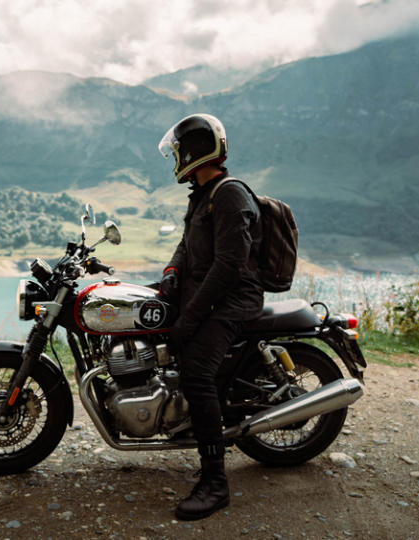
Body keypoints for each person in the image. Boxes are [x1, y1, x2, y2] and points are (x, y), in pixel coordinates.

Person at [157, 113, 264, 520]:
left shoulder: (230, 194)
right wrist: (169, 275)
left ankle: (215, 483)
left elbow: (229, 267)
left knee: (197, 373)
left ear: (197, 150)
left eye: (180, 149)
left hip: (233, 300)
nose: (176, 157)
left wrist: (190, 318)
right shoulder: (203, 194)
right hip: (207, 295)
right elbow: (187, 247)